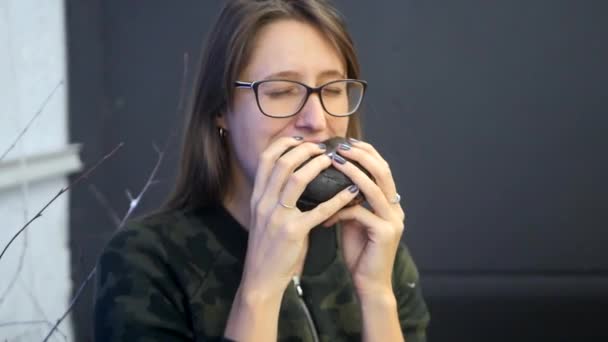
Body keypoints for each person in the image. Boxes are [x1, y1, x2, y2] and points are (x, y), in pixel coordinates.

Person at [93, 0, 430, 341]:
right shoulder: (146, 262)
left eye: (332, 89)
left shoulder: (371, 244)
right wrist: (260, 291)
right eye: (282, 91)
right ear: (221, 109)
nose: (316, 120)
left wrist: (376, 294)